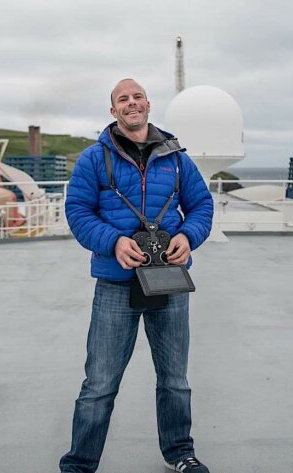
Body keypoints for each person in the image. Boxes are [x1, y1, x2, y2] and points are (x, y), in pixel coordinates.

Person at [60, 78, 214, 473]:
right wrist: (113, 242)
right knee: (100, 384)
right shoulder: (94, 159)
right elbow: (78, 212)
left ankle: (180, 453)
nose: (132, 103)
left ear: (148, 105)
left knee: (175, 379)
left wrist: (188, 236)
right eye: (122, 99)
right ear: (114, 112)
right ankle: (79, 464)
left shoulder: (178, 157)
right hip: (115, 283)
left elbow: (201, 206)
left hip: (170, 280)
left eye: (138, 97)